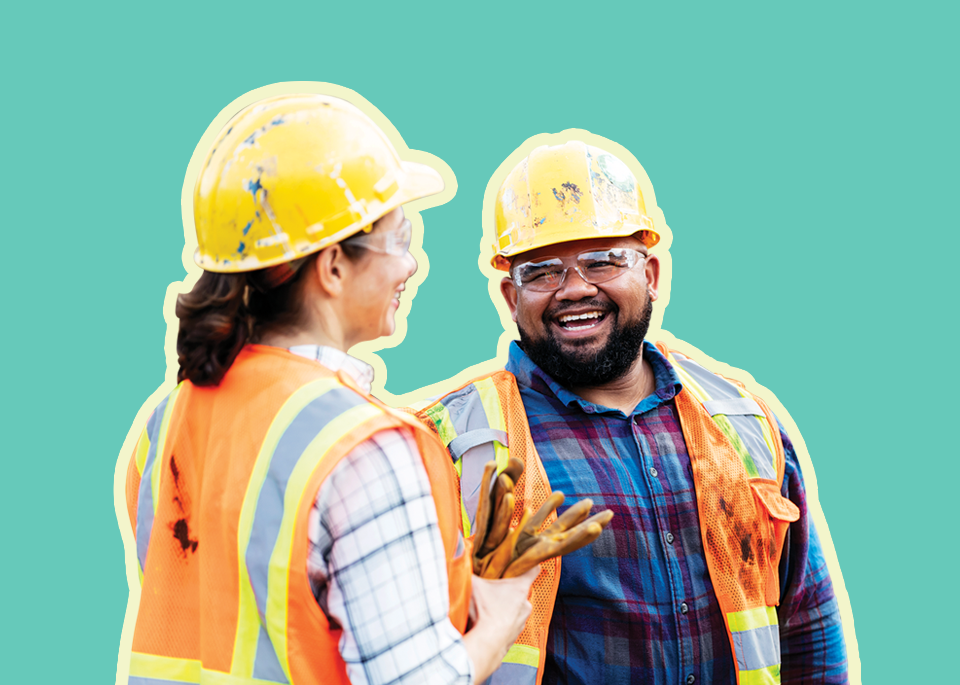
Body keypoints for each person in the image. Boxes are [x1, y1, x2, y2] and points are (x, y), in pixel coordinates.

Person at [119, 93, 538, 685]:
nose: (411, 265)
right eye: (400, 239)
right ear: (334, 265)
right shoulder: (366, 446)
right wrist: (496, 622)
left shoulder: (167, 421)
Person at [416, 139, 849, 685]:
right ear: (509, 296)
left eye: (602, 261)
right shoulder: (447, 445)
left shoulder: (742, 420)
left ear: (651, 276)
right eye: (543, 271)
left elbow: (807, 624)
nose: (574, 289)